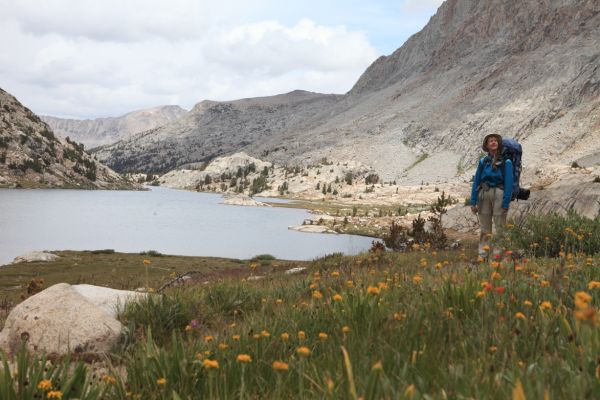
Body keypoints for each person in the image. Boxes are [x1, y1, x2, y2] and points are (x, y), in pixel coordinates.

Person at [470, 133, 513, 259]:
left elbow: (509, 183)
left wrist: (506, 202)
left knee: (500, 226)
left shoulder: (507, 161)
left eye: (495, 141)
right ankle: (482, 255)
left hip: (499, 193)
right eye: (490, 141)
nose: (493, 142)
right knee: (484, 227)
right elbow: (476, 181)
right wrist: (473, 201)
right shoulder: (483, 161)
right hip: (484, 194)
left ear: (498, 144)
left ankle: (498, 256)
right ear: (487, 145)